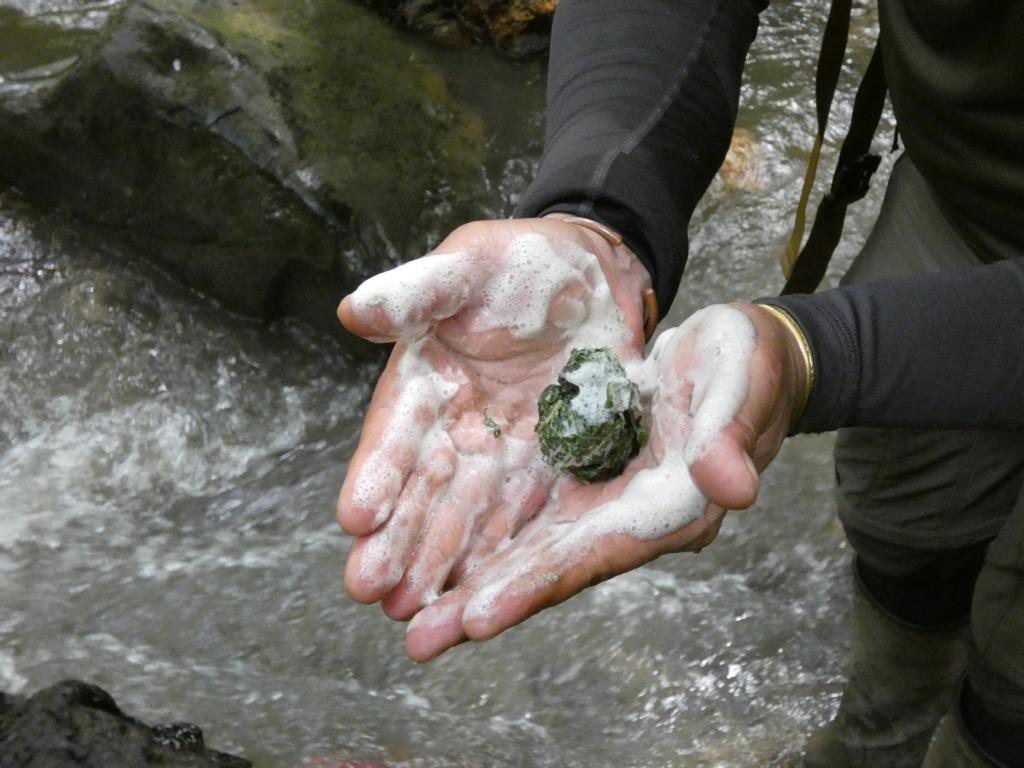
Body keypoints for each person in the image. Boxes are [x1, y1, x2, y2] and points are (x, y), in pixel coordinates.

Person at [336, 2, 1024, 766]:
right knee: (904, 507)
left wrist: (822, 354)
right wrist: (599, 210)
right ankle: (883, 727)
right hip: (969, 186)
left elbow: (838, 355)